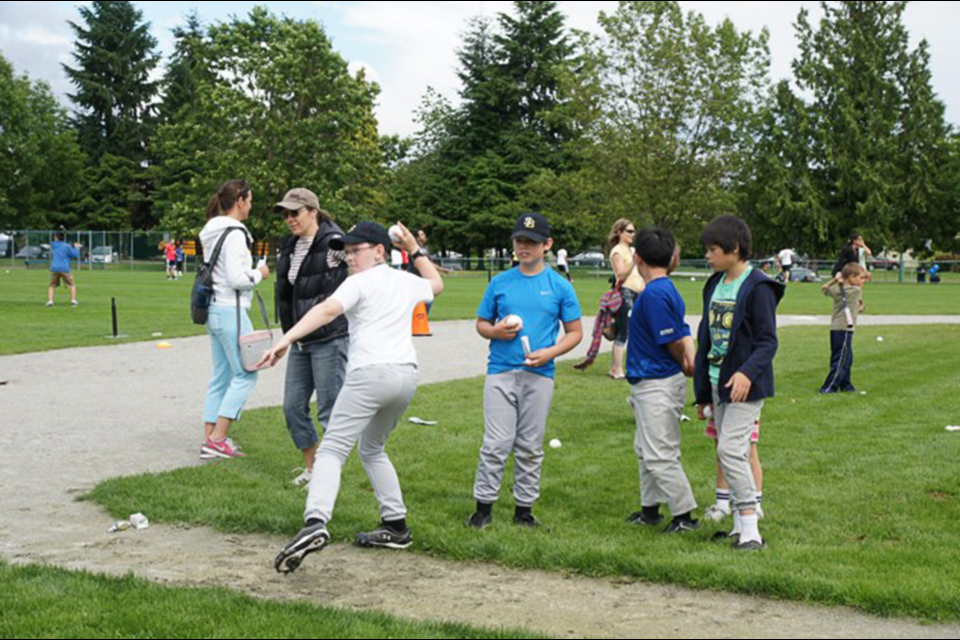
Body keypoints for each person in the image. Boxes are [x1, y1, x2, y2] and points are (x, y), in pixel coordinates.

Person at [268, 221, 443, 573]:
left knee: (332, 449)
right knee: (372, 448)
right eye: (346, 251)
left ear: (380, 251)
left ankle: (314, 521)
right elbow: (436, 284)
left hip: (371, 374)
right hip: (406, 376)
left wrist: (286, 339)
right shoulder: (406, 281)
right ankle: (396, 526)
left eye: (356, 250)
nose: (349, 257)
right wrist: (413, 247)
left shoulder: (359, 282)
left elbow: (326, 310)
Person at [466, 213, 583, 529]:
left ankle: (524, 511)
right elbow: (481, 323)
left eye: (531, 242)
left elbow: (575, 332)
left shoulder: (559, 286)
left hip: (539, 375)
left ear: (547, 245)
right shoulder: (500, 282)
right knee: (496, 443)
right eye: (519, 241)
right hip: (501, 372)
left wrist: (551, 353)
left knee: (530, 445)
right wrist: (495, 332)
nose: (523, 247)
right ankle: (483, 509)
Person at [694, 215, 784, 551]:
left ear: (734, 250)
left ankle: (750, 529)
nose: (708, 255)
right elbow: (706, 338)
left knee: (731, 450)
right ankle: (735, 527)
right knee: (732, 451)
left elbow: (767, 342)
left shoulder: (758, 287)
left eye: (713, 249)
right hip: (718, 383)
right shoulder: (714, 283)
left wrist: (746, 372)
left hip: (746, 385)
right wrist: (703, 391)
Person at [274, 188, 350, 487]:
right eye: (285, 214)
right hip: (300, 339)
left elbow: (360, 267)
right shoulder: (291, 246)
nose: (289, 219)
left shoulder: (333, 242)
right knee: (292, 407)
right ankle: (312, 467)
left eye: (295, 212)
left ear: (313, 211)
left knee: (330, 409)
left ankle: (330, 475)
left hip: (330, 337)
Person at [624, 227, 698, 534]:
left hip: (657, 381)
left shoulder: (654, 292)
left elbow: (672, 338)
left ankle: (684, 516)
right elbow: (682, 330)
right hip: (649, 381)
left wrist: (685, 361)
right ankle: (649, 509)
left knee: (659, 453)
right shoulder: (663, 288)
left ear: (637, 257)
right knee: (645, 448)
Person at [198, 179, 270, 460]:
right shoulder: (235, 233)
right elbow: (237, 278)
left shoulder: (211, 230)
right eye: (250, 200)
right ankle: (218, 438)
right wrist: (258, 274)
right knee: (246, 373)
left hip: (213, 309)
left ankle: (210, 437)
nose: (251, 206)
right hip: (232, 309)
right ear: (240, 200)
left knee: (221, 375)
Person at [819, 262, 867, 394]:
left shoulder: (837, 289)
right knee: (840, 359)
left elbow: (824, 288)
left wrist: (836, 280)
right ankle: (829, 387)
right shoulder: (855, 290)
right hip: (844, 328)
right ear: (851, 277)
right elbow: (856, 297)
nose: (863, 281)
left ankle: (846, 384)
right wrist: (841, 282)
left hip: (837, 329)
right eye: (861, 278)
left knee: (847, 358)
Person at [608, 219, 645, 380]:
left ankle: (616, 367)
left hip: (638, 293)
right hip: (625, 293)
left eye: (633, 231)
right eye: (629, 231)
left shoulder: (632, 250)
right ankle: (617, 370)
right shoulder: (618, 251)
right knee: (623, 332)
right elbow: (621, 274)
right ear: (619, 233)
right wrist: (633, 261)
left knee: (635, 332)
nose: (632, 234)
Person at [47, 232, 80, 307]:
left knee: (52, 285)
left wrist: (72, 245)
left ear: (56, 237)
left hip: (55, 268)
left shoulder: (54, 245)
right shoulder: (67, 246)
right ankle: (73, 301)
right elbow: (76, 255)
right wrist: (75, 247)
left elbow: (56, 243)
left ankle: (50, 301)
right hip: (65, 268)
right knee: (72, 285)